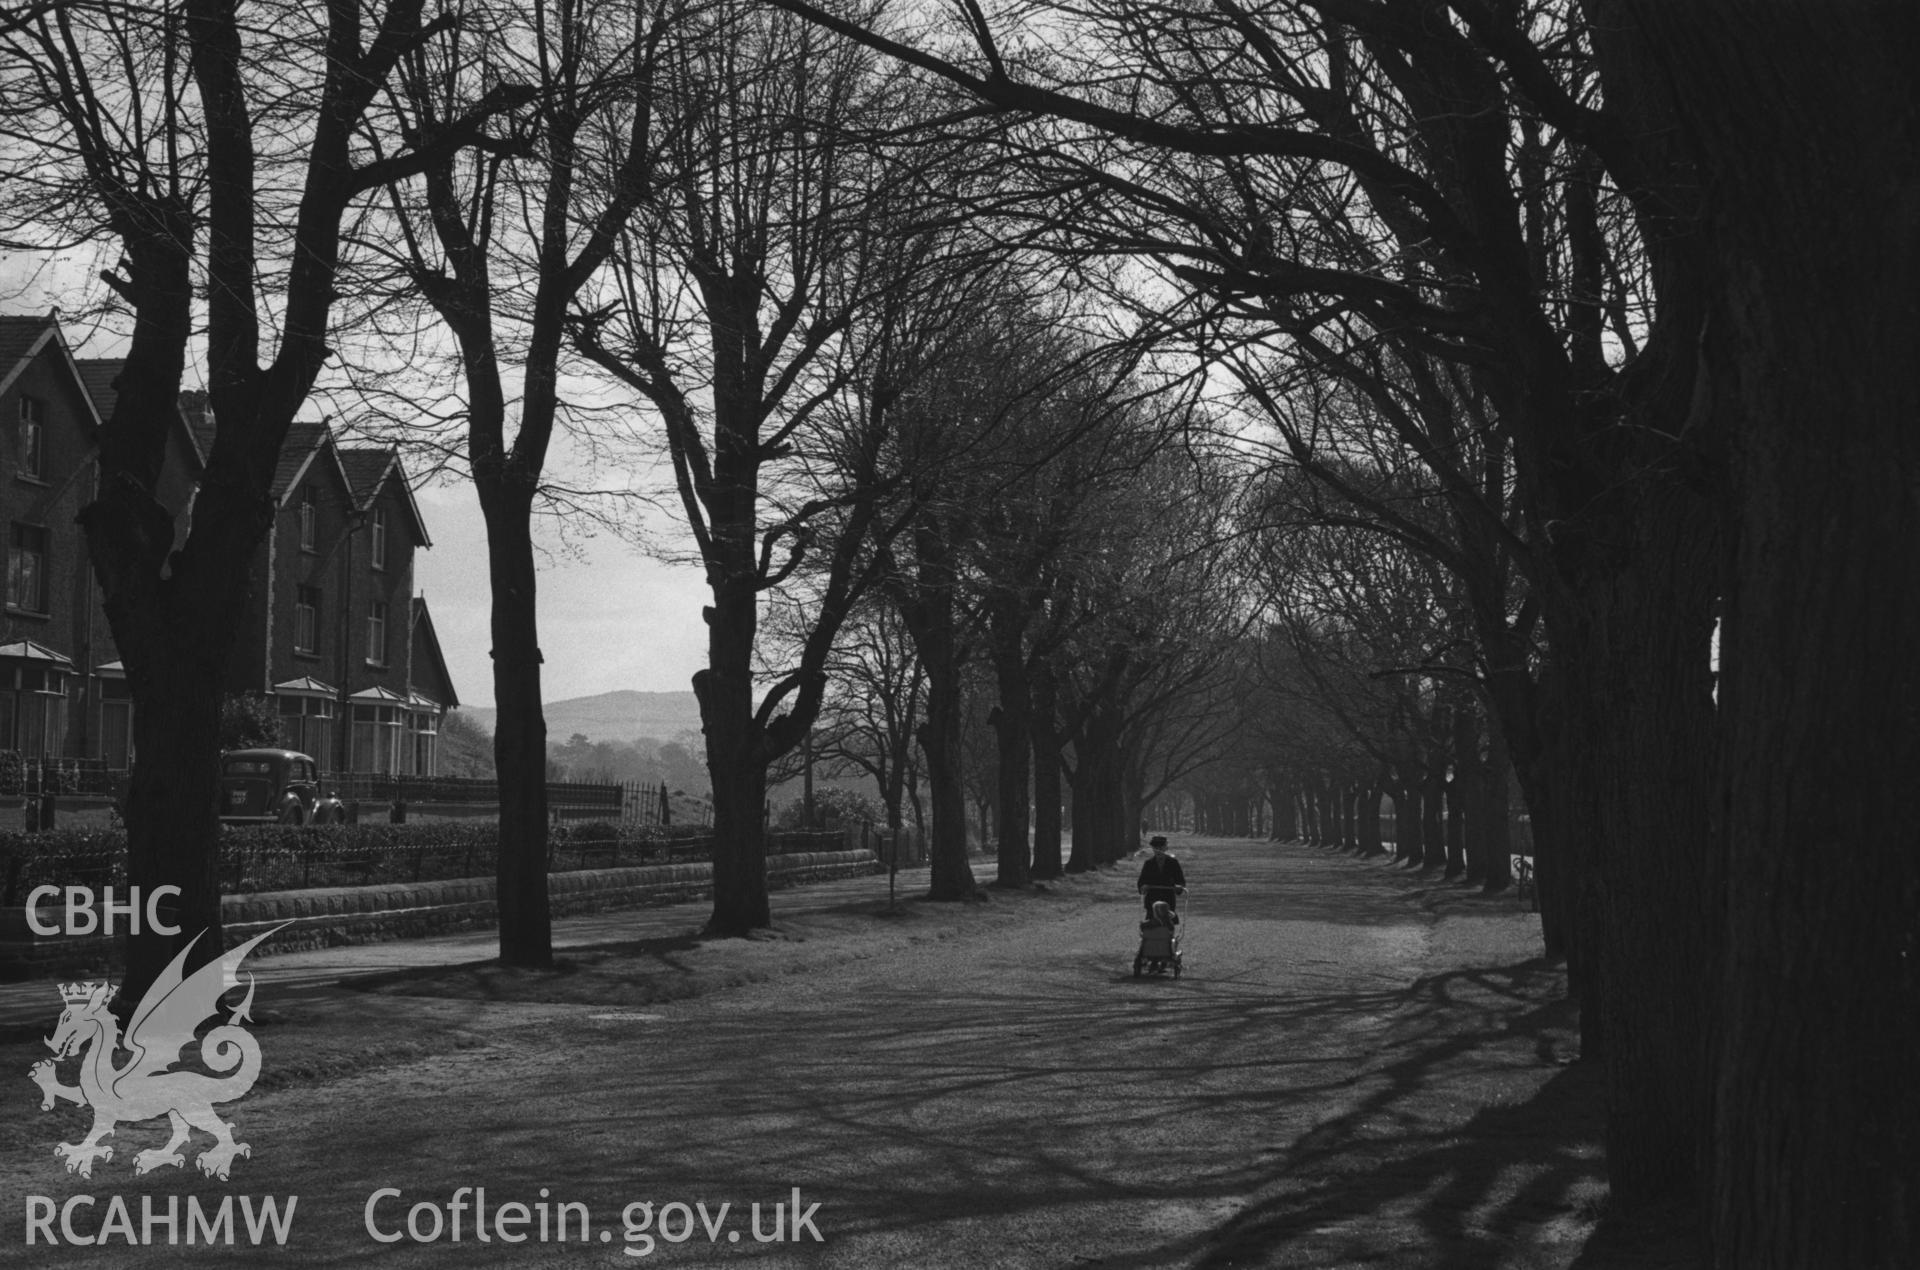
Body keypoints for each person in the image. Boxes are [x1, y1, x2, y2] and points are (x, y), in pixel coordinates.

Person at [1137, 835, 1186, 920]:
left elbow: (1180, 880)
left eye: (1161, 847)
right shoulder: (1148, 864)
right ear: (1153, 849)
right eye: (1156, 848)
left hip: (1168, 901)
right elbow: (1141, 882)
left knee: (1167, 928)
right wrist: (1143, 887)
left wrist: (1179, 887)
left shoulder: (1173, 863)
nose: (1158, 851)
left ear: (1165, 848)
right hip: (1152, 901)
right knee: (1152, 928)